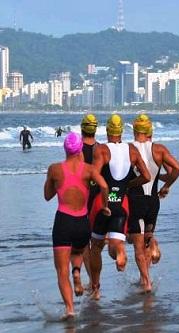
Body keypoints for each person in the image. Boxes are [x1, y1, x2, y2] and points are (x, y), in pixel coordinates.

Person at [43, 132, 110, 319]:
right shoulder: (89, 170)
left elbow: (47, 196)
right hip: (82, 222)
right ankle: (78, 272)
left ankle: (70, 309)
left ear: (65, 149)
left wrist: (53, 182)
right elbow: (104, 186)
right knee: (79, 252)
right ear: (80, 149)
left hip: (63, 221)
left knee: (61, 271)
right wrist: (104, 205)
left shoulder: (55, 169)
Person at [89, 114, 151, 300]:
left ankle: (96, 289)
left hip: (102, 204)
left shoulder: (101, 150)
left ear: (107, 130)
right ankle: (121, 252)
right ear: (122, 131)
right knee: (116, 244)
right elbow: (146, 176)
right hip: (121, 206)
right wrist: (128, 186)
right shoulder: (132, 150)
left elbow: (94, 175)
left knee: (96, 248)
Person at [128, 114, 179, 292]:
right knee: (145, 240)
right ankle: (148, 267)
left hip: (135, 201)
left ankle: (146, 282)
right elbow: (177, 168)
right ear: (150, 131)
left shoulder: (128, 149)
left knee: (136, 245)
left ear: (134, 130)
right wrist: (166, 186)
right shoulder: (159, 150)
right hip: (153, 202)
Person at [80, 113, 99, 289]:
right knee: (97, 243)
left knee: (85, 245)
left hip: (83, 199)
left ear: (82, 129)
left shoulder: (77, 150)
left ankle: (93, 283)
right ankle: (95, 282)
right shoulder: (102, 149)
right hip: (100, 198)